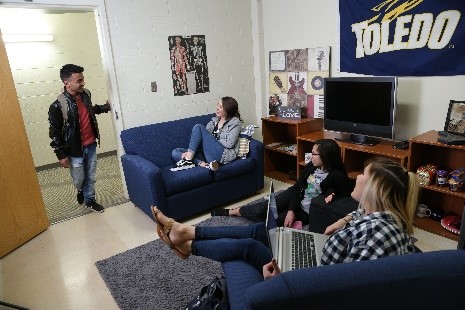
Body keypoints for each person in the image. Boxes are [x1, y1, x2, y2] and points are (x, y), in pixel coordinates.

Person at [151, 158, 420, 279]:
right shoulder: (379, 215)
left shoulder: (379, 234)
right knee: (259, 230)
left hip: (314, 276)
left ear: (375, 189)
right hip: (318, 257)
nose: (357, 176)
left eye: (364, 174)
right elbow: (359, 216)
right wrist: (344, 220)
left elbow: (347, 286)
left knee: (250, 247)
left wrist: (283, 281)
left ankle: (186, 244)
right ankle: (186, 232)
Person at [211, 139, 354, 227]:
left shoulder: (337, 176)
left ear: (326, 156)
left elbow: (348, 192)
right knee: (263, 208)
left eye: (315, 154)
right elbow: (298, 187)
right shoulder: (312, 166)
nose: (312, 157)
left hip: (306, 210)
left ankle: (244, 215)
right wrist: (291, 210)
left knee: (270, 221)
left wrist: (332, 192)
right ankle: (233, 212)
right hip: (295, 196)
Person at [48, 64, 111, 213]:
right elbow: (54, 131)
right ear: (66, 83)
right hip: (74, 149)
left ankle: (90, 200)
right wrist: (61, 154)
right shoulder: (57, 105)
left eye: (83, 79)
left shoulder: (85, 94)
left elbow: (90, 111)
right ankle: (80, 190)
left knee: (90, 176)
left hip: (91, 145)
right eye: (79, 80)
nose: (83, 83)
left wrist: (105, 107)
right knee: (79, 179)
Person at [171, 96, 242, 171]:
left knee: (198, 127)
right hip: (207, 154)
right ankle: (201, 163)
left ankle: (188, 160)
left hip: (222, 154)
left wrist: (211, 140)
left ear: (228, 110)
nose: (217, 108)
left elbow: (229, 143)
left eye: (220, 107)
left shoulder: (235, 123)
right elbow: (204, 139)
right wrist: (206, 141)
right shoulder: (214, 122)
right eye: (218, 104)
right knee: (175, 152)